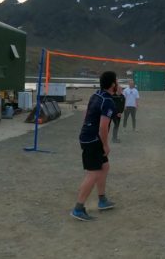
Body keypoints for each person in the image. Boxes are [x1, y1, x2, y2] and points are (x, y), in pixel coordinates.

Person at [71, 71, 118, 221]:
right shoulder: (108, 101)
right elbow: (103, 128)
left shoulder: (96, 95)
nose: (118, 84)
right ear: (112, 84)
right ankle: (78, 208)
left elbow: (86, 115)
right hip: (93, 140)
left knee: (104, 166)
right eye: (116, 82)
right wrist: (105, 145)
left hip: (88, 136)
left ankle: (102, 200)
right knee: (93, 173)